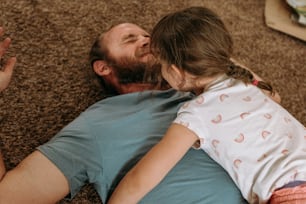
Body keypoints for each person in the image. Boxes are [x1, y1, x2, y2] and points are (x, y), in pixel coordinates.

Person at [0, 23, 251, 203]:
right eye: (130, 39)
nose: (147, 40)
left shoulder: (206, 89)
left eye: (149, 35)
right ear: (103, 67)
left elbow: (263, 96)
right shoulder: (98, 124)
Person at [108, 7, 306, 204]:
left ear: (176, 72)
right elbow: (275, 97)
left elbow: (140, 180)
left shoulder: (195, 114)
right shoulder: (242, 80)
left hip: (291, 191)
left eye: (162, 64)